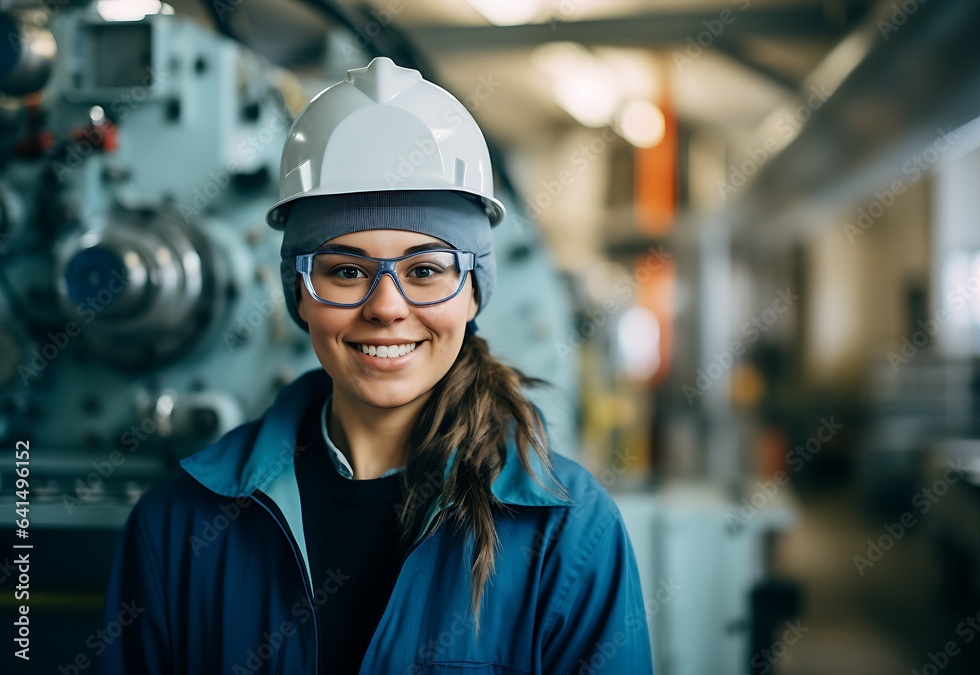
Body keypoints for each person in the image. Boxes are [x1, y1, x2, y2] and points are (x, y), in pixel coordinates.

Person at [97, 56, 654, 675]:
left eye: (425, 271)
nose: (386, 308)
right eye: (345, 271)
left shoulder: (566, 532)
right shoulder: (180, 523)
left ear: (474, 293)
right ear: (299, 294)